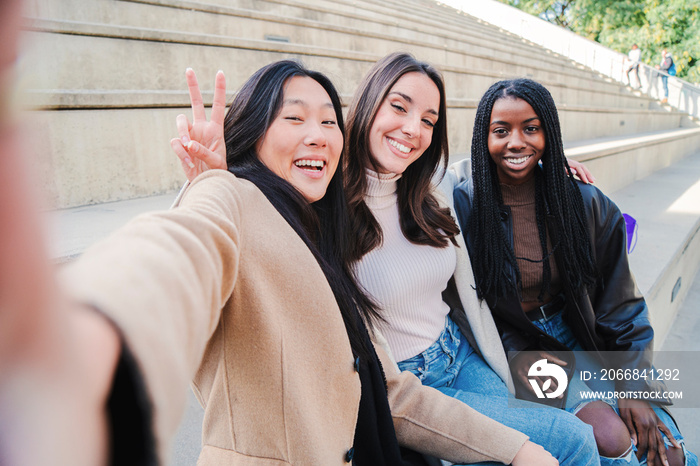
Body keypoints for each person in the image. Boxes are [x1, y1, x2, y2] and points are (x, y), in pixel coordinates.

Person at [452, 78, 698, 466]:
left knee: (666, 453)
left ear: (549, 133)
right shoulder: (465, 207)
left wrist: (632, 386)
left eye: (531, 129)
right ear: (483, 139)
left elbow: (623, 307)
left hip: (583, 328)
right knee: (608, 435)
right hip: (518, 346)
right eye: (501, 131)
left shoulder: (585, 204)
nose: (517, 142)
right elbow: (429, 177)